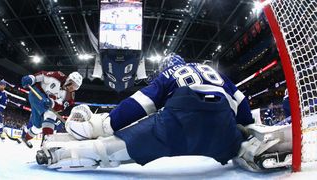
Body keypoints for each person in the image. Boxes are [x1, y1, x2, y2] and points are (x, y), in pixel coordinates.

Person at [36, 53, 259, 171]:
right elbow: (242, 105)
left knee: (109, 149)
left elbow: (139, 104)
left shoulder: (169, 74)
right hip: (221, 132)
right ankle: (253, 149)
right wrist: (245, 129)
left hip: (176, 124)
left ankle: (61, 154)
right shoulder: (211, 70)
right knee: (240, 140)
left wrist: (106, 125)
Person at [20, 71, 82, 148]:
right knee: (51, 116)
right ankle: (46, 146)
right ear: (69, 80)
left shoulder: (70, 97)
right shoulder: (58, 76)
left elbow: (61, 107)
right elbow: (42, 76)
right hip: (36, 94)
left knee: (37, 127)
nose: (73, 89)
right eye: (73, 85)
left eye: (76, 87)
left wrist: (52, 103)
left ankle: (25, 138)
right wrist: (31, 78)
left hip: (46, 104)